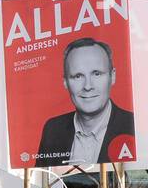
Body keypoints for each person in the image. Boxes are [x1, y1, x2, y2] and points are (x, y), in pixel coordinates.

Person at [36, 36, 135, 167]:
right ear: (65, 82)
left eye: (97, 74)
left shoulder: (133, 126)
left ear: (113, 76)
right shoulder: (53, 129)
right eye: (77, 76)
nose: (88, 86)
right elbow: (39, 182)